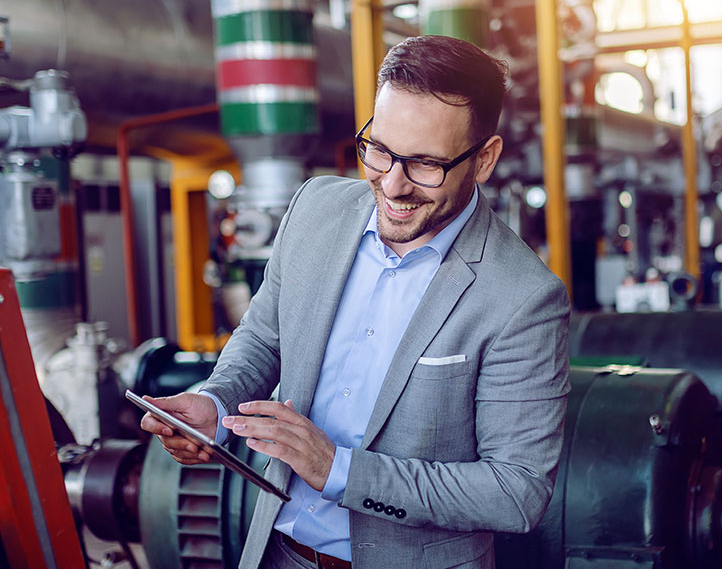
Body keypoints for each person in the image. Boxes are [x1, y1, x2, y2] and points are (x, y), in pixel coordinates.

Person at [140, 35, 571, 569]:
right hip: (280, 554)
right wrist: (216, 402)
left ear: (483, 159)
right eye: (381, 150)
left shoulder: (522, 297)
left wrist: (339, 470)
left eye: (425, 165)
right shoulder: (316, 208)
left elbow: (516, 492)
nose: (392, 184)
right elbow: (265, 337)